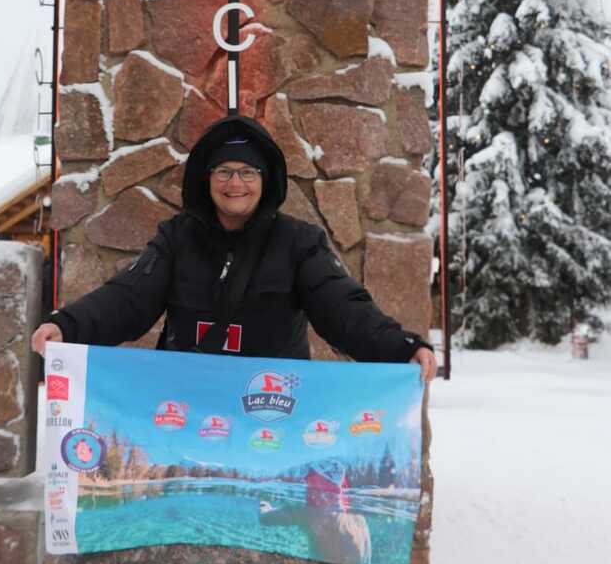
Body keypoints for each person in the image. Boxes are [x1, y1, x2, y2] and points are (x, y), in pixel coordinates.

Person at [31, 114, 437, 380]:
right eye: (223, 171)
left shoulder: (300, 243)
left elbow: (343, 308)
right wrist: (67, 325)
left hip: (271, 413)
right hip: (185, 408)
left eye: (247, 172)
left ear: (266, 180)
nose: (235, 183)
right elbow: (128, 298)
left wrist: (400, 349)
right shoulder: (176, 238)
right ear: (206, 180)